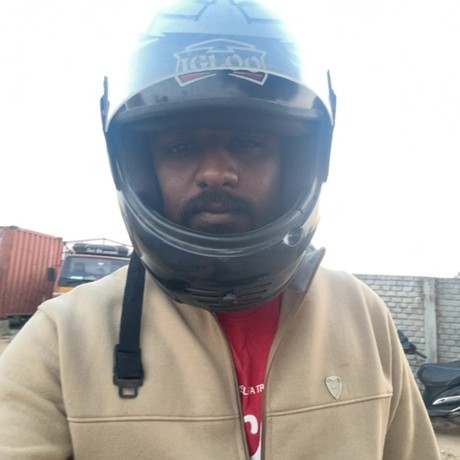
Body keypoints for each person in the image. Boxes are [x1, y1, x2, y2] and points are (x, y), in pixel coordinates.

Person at [0, 1, 441, 459]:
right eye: (180, 147)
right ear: (138, 168)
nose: (215, 173)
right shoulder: (63, 338)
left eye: (249, 143)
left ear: (296, 164)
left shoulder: (362, 315)